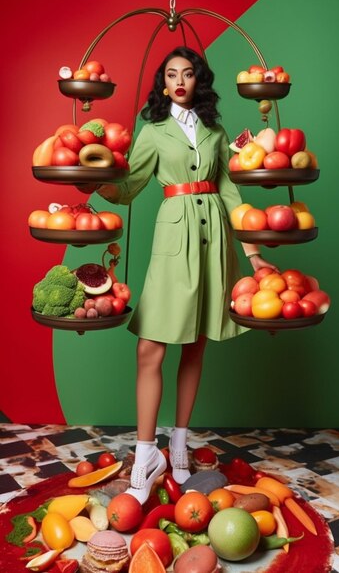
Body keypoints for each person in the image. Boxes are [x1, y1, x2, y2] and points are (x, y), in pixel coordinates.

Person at [97, 46, 276, 504]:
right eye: (172, 74)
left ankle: (178, 444)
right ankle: (144, 453)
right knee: (150, 349)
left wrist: (254, 257)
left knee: (195, 342)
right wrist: (88, 176)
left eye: (188, 73)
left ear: (199, 80)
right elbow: (128, 187)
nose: (180, 80)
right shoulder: (152, 131)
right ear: (162, 82)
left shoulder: (216, 131)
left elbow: (232, 193)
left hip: (213, 236)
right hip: (174, 237)